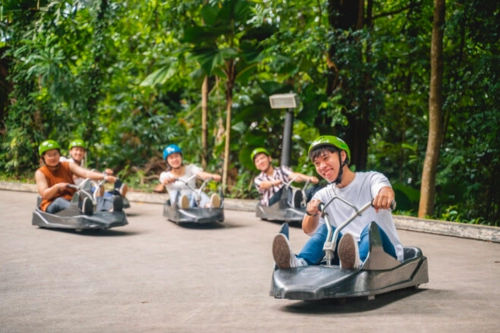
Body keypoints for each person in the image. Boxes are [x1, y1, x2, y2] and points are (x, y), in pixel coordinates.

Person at [272, 135, 404, 270]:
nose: (322, 166)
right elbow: (308, 229)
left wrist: (384, 194)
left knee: (370, 229)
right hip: (346, 254)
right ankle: (300, 262)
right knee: (326, 230)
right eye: (317, 163)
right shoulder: (323, 194)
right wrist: (311, 213)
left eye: (326, 158)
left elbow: (383, 188)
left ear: (342, 156)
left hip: (385, 254)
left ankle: (360, 263)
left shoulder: (371, 179)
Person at [35, 140, 118, 214]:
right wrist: (57, 187)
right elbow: (45, 194)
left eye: (55, 154)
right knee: (60, 201)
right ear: (43, 157)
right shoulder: (40, 173)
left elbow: (85, 173)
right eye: (49, 155)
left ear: (59, 154)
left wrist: (104, 177)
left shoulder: (67, 165)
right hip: (51, 203)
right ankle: (82, 211)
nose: (53, 157)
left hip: (71, 200)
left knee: (86, 200)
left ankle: (104, 209)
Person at [251, 147, 320, 208]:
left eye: (262, 158)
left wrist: (309, 178)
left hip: (288, 197)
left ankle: (312, 205)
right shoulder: (258, 179)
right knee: (285, 189)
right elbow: (263, 185)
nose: (260, 162)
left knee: (313, 189)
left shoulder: (282, 169)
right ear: (256, 166)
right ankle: (294, 201)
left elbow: (294, 176)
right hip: (272, 204)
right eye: (257, 161)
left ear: (269, 159)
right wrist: (275, 183)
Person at [159, 144, 221, 209]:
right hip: (177, 203)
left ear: (181, 157)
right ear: (167, 161)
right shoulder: (165, 175)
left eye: (176, 156)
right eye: (171, 158)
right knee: (176, 194)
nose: (175, 160)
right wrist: (167, 181)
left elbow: (201, 174)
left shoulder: (190, 168)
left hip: (192, 199)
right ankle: (184, 206)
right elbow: (161, 185)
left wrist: (212, 176)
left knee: (197, 192)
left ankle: (210, 205)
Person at [61, 139, 128, 198]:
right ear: (70, 152)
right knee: (98, 189)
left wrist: (104, 174)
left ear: (84, 153)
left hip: (85, 190)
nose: (78, 153)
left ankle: (118, 195)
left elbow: (89, 173)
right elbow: (85, 174)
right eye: (76, 150)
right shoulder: (67, 163)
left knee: (104, 189)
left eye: (81, 150)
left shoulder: (82, 166)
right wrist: (103, 176)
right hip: (73, 192)